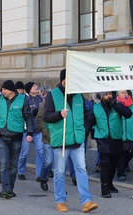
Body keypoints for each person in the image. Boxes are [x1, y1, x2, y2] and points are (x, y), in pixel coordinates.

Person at [44, 69, 98, 212]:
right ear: (63, 80)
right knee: (60, 172)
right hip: (60, 141)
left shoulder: (79, 96)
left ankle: (86, 201)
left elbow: (86, 117)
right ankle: (60, 201)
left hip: (77, 141)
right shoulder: (52, 95)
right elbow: (47, 117)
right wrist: (59, 114)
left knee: (81, 169)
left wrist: (84, 131)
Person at [0, 80, 34, 199]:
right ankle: (5, 189)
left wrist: (29, 133)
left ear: (11, 91)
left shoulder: (22, 100)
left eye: (4, 89)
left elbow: (28, 117)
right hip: (1, 136)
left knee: (13, 166)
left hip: (16, 137)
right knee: (4, 164)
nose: (1, 91)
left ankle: (10, 189)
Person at [87, 91, 132, 198]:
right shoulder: (96, 108)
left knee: (114, 164)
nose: (109, 97)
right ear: (102, 96)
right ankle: (105, 188)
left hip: (116, 138)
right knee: (106, 164)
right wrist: (85, 134)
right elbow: (89, 122)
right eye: (106, 95)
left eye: (110, 94)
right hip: (103, 139)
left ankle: (110, 183)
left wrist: (116, 105)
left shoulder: (117, 105)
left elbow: (128, 114)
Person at [17, 82, 44, 181]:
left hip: (38, 130)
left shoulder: (41, 99)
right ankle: (20, 171)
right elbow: (21, 114)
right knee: (24, 152)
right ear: (29, 89)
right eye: (33, 86)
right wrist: (32, 113)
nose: (36, 87)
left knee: (41, 152)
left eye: (36, 85)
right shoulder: (24, 100)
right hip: (27, 130)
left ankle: (39, 175)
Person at [116, 90, 133, 181]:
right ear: (118, 95)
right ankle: (121, 172)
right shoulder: (115, 105)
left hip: (132, 134)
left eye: (126, 93)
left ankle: (124, 166)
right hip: (120, 134)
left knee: (131, 153)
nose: (125, 94)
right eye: (122, 93)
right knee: (122, 154)